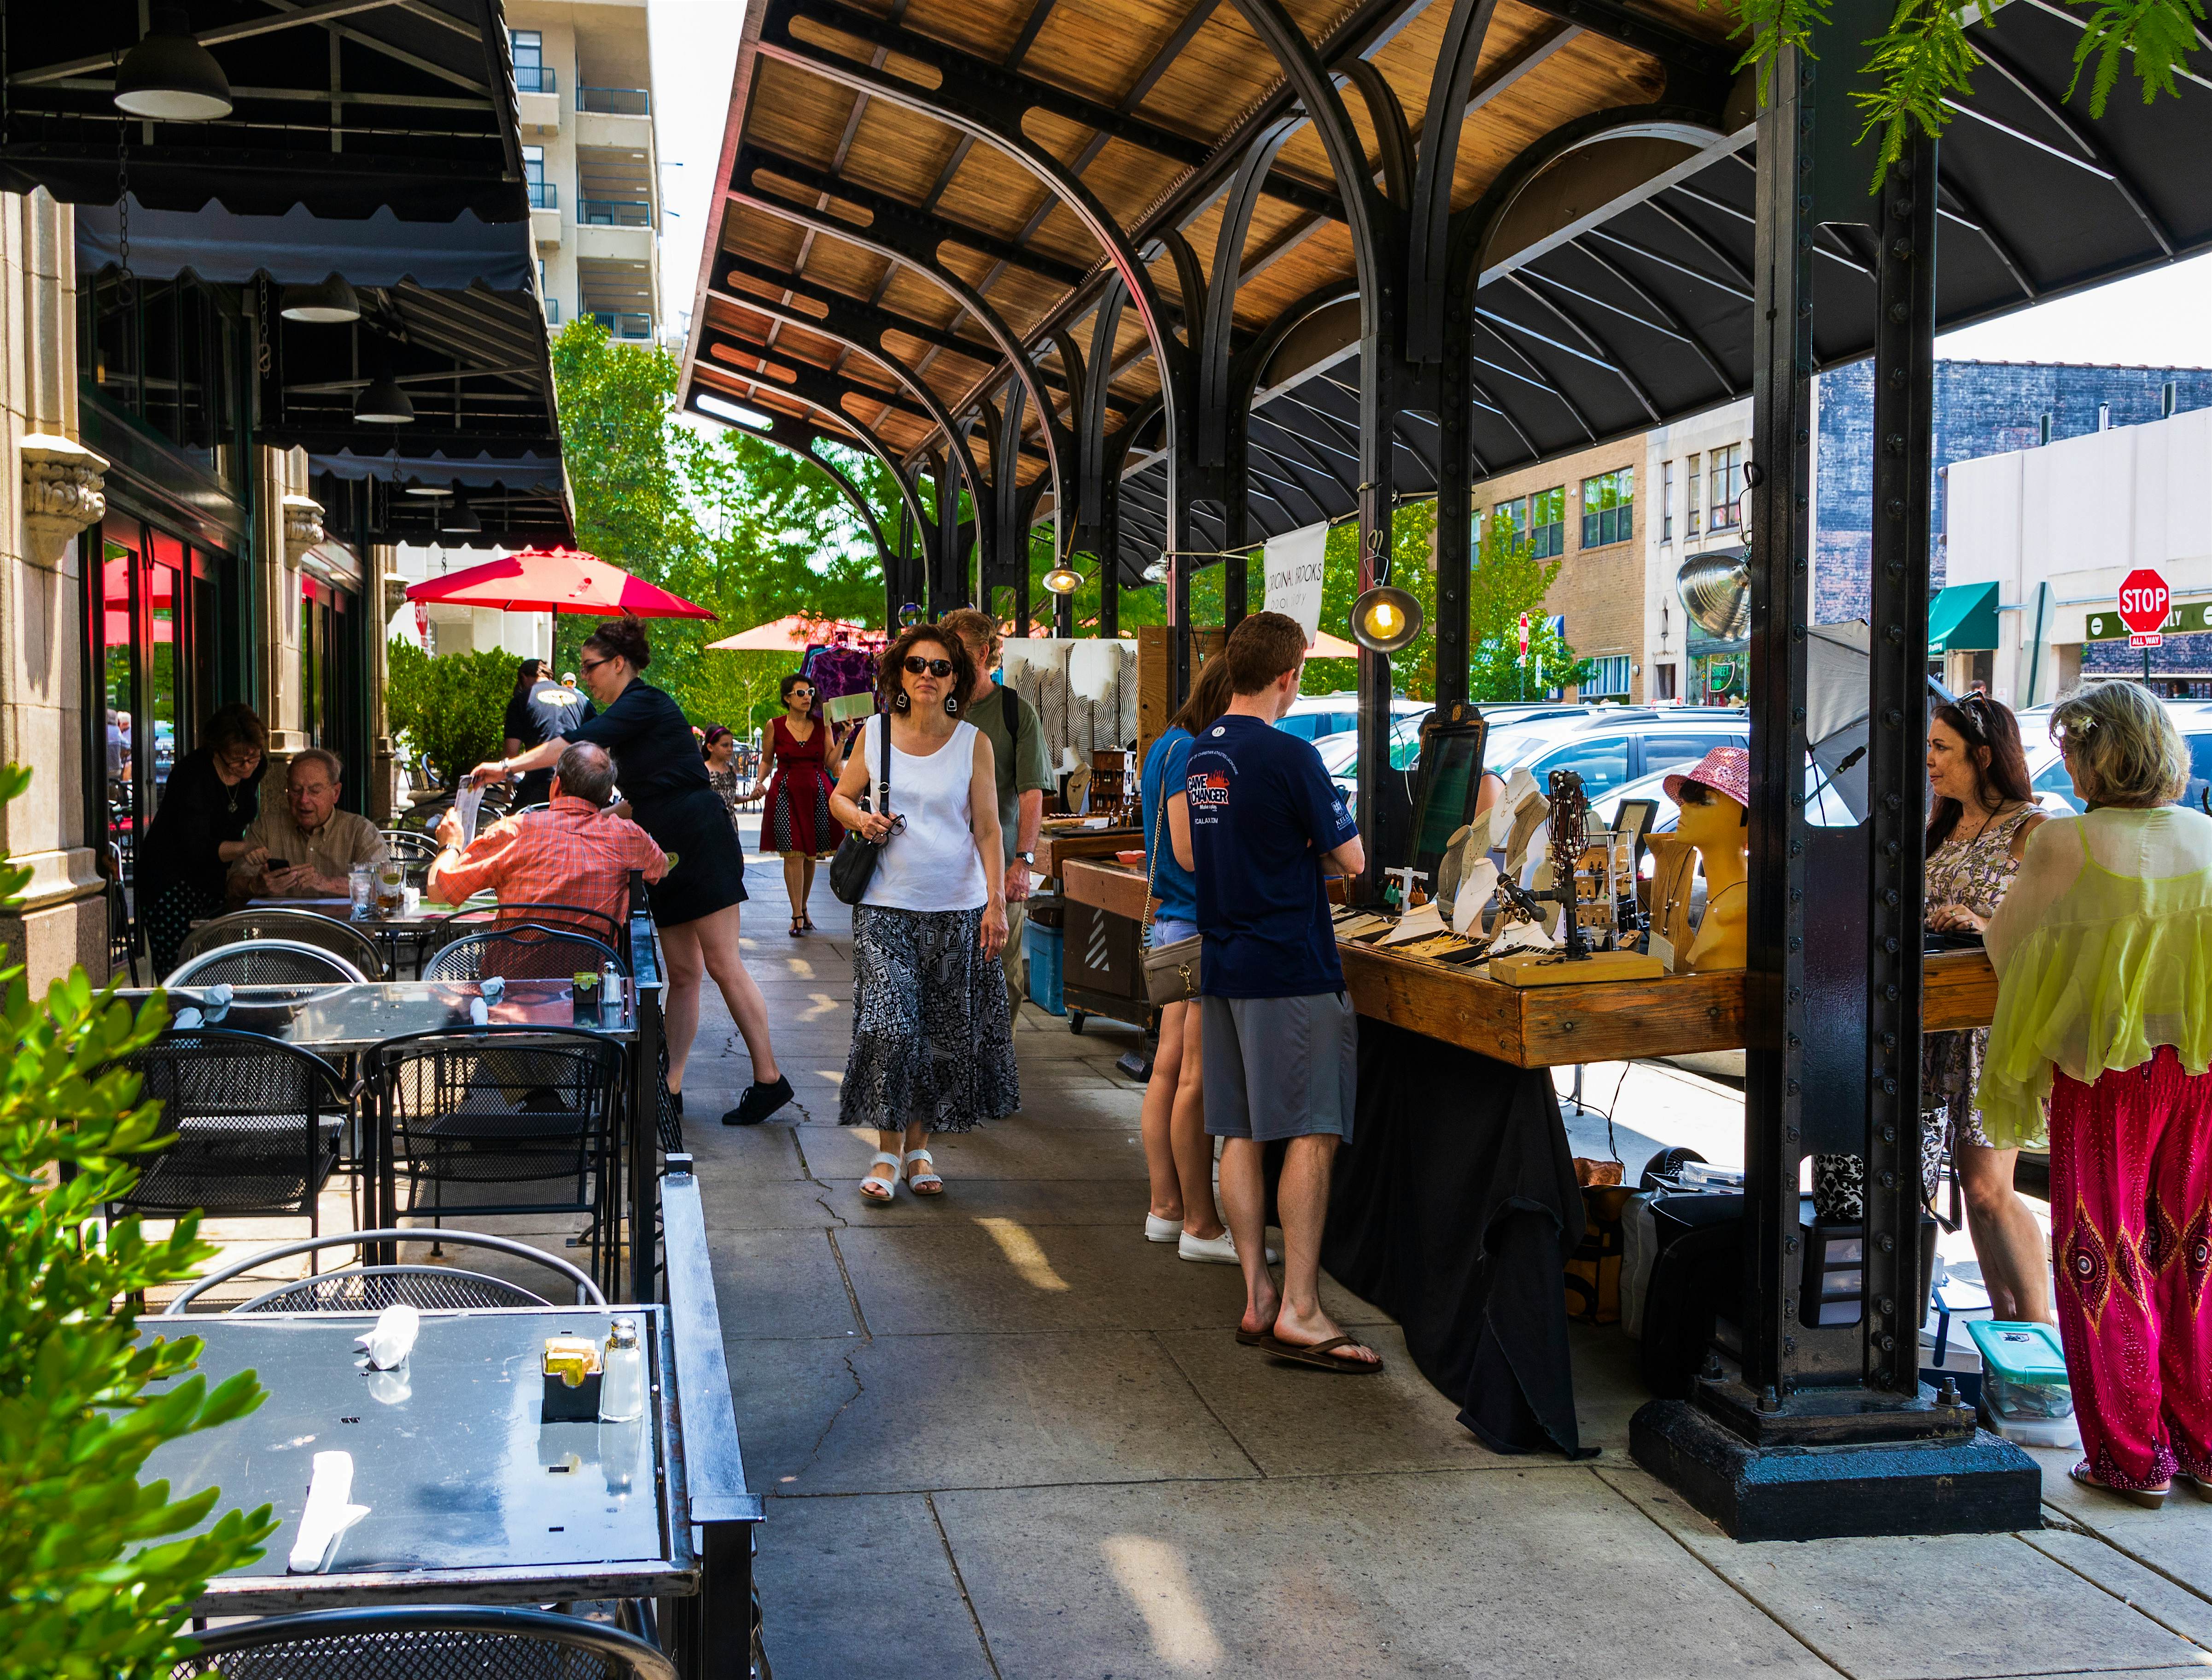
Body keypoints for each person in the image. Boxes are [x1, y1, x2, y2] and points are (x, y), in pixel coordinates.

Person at [1981, 682, 2212, 1508]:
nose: (2065, 762)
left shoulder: (2065, 842)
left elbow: (2009, 951)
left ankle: (2128, 1453)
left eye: (2070, 747)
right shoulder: (2205, 834)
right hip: (2196, 1070)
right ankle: (2201, 1444)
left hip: (2104, 1075)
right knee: (2189, 1254)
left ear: (2093, 751)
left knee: (2099, 1254)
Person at [470, 616, 791, 1127]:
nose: (584, 676)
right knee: (683, 974)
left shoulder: (645, 701)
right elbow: (643, 800)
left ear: (620, 664)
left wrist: (505, 768)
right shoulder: (629, 712)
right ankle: (672, 1086)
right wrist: (580, 820)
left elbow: (568, 749)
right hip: (664, 845)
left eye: (590, 666)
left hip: (699, 837)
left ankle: (769, 1079)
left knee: (724, 965)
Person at [1181, 612, 1378, 1371]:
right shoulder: (1290, 754)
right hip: (1289, 966)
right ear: (1289, 673)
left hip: (1225, 963)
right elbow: (1353, 859)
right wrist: (1306, 846)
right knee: (1310, 1129)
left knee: (1238, 1131)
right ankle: (1299, 1307)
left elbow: (1203, 852)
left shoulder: (1203, 752)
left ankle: (1257, 1295)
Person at [828, 624, 1016, 1201]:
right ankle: (885, 1153)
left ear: (957, 676)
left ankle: (919, 1148)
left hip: (955, 910)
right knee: (891, 1028)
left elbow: (987, 827)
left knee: (937, 1034)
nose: (927, 676)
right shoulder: (876, 735)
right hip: (885, 905)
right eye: (917, 665)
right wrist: (860, 819)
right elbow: (840, 794)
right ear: (898, 675)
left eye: (940, 667)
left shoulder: (973, 743)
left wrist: (996, 900)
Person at [1921, 693, 2050, 1323]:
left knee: (1988, 1187)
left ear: (1982, 754)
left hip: (1988, 1026)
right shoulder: (1939, 824)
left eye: (1940, 747)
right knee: (1963, 1191)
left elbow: (2057, 930)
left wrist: (1984, 921)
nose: (1928, 760)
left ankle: (2036, 1332)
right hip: (1928, 1022)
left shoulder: (2034, 828)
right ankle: (2005, 1327)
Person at [1138, 655, 1242, 1262]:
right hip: (1195, 926)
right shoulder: (1190, 753)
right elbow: (1188, 847)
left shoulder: (1164, 746)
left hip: (1173, 923)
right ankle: (1197, 1223)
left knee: (1168, 1072)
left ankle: (1166, 1207)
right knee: (1192, 1079)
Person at [940, 608, 1053, 1007]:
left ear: (982, 653)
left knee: (1002, 977)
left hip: (999, 870)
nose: (945, 660)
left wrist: (1023, 863)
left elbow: (1031, 794)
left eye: (955, 650)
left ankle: (997, 1068)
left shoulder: (1015, 713)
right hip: (940, 870)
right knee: (944, 978)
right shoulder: (933, 708)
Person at [430, 741, 667, 926]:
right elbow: (662, 867)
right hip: (589, 985)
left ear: (556, 785)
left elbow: (439, 892)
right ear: (607, 798)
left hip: (509, 985)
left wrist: (450, 846)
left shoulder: (511, 831)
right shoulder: (628, 838)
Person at [136, 702, 268, 975]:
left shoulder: (257, 766)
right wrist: (244, 848)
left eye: (252, 757)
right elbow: (197, 848)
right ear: (216, 750)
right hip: (170, 878)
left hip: (214, 877)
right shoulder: (192, 776)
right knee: (179, 965)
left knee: (218, 962)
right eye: (236, 758)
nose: (246, 765)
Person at [745, 673, 841, 937]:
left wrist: (843, 738)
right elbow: (766, 760)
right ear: (787, 698)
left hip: (818, 792)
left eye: (810, 692)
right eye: (801, 693)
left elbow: (831, 763)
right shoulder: (774, 725)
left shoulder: (823, 725)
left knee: (811, 854)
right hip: (785, 791)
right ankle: (796, 913)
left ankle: (803, 907)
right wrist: (759, 782)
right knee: (793, 853)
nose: (807, 697)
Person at [230, 748, 385, 904]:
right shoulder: (267, 827)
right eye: (296, 790)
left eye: (315, 791)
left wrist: (326, 883)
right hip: (282, 928)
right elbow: (232, 886)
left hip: (344, 928)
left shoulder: (360, 831)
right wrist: (255, 886)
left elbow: (385, 889)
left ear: (336, 793)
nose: (304, 800)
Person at [504, 657, 595, 809]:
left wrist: (507, 790)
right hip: (577, 788)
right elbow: (600, 745)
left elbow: (511, 751)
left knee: (514, 827)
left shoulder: (522, 700)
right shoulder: (582, 700)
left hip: (537, 785)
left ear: (523, 678)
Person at [703, 726, 745, 830]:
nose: (730, 749)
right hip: (710, 824)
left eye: (732, 745)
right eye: (725, 746)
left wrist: (752, 797)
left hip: (730, 824)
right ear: (710, 747)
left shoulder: (731, 769)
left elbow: (731, 798)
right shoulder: (704, 770)